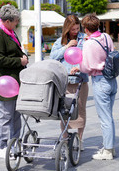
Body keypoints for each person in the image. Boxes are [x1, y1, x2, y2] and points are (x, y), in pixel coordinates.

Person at [0, 4, 29, 158]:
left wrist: (23, 58)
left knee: (16, 115)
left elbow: (14, 52)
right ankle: (3, 146)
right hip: (5, 83)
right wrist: (20, 61)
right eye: (15, 21)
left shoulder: (10, 33)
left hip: (15, 81)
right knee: (6, 115)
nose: (16, 24)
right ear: (7, 21)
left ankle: (15, 144)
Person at [79, 14, 117, 160]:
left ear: (86, 29)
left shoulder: (89, 43)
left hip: (100, 80)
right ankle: (110, 147)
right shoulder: (106, 37)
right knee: (109, 117)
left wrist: (78, 67)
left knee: (104, 118)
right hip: (112, 79)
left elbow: (86, 67)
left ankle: (107, 151)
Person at [50, 15, 89, 149]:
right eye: (72, 29)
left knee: (81, 109)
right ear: (67, 28)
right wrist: (67, 46)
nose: (75, 31)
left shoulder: (84, 38)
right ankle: (65, 137)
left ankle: (80, 139)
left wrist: (78, 66)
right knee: (64, 110)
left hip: (80, 80)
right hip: (65, 81)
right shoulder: (60, 41)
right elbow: (53, 57)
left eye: (77, 28)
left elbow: (87, 56)